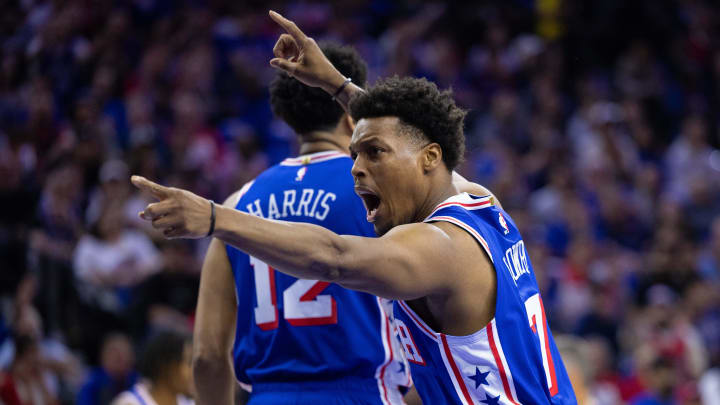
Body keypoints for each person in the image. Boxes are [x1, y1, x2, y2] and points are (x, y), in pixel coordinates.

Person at [131, 11, 577, 405]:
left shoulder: (440, 247)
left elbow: (335, 257)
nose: (357, 169)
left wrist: (215, 218)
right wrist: (336, 85)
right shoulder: (481, 201)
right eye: (355, 154)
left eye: (374, 154)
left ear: (430, 158)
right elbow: (409, 132)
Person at [191, 42, 412, 405]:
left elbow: (207, 356)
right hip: (361, 393)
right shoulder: (380, 188)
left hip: (268, 396)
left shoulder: (235, 206)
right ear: (350, 117)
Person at [111, 330, 194, 405]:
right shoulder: (129, 402)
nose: (193, 371)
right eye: (189, 363)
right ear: (166, 366)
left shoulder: (192, 403)